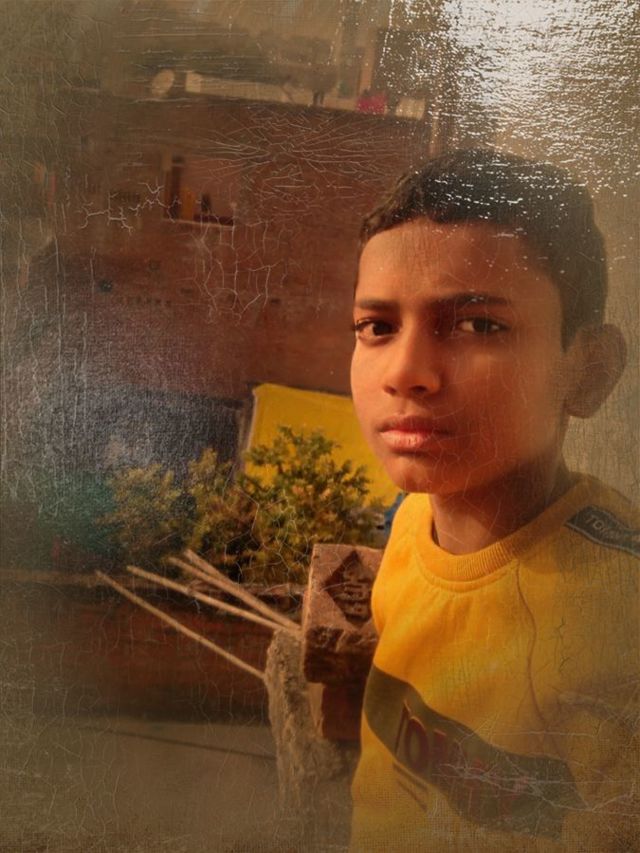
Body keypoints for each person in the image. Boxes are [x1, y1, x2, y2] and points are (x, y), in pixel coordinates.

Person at [348, 148, 638, 851]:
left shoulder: (615, 628)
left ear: (588, 370)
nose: (406, 372)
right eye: (377, 327)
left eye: (478, 325)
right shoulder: (415, 520)